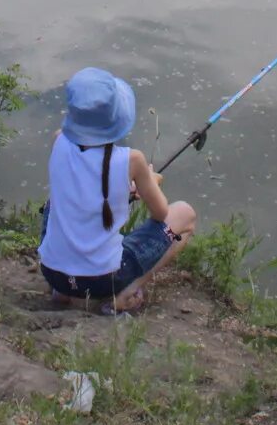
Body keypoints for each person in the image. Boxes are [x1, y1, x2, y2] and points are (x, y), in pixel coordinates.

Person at [38, 67, 197, 314]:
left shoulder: (59, 139)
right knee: (185, 214)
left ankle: (63, 292)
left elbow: (83, 183)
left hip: (53, 273)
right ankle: (128, 291)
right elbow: (160, 214)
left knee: (54, 202)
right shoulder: (132, 160)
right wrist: (150, 183)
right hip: (104, 279)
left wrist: (122, 190)